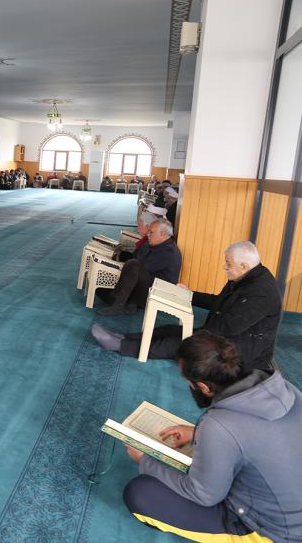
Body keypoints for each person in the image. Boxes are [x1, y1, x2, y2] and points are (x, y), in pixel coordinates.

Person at [122, 331, 302, 543]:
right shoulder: (287, 389)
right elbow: (262, 438)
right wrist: (197, 433)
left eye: (188, 381)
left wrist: (145, 461)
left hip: (275, 533)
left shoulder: (219, 426)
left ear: (204, 387)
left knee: (140, 493)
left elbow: (204, 494)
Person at [92, 241, 282, 372]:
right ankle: (124, 337)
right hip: (224, 336)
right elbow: (217, 302)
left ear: (244, 266)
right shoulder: (245, 277)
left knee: (178, 343)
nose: (224, 267)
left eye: (228, 263)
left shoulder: (261, 292)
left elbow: (229, 327)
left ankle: (120, 345)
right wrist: (189, 295)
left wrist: (194, 336)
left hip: (239, 353)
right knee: (169, 329)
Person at [95, 218, 181, 316]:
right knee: (100, 291)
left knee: (133, 265)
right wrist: (143, 251)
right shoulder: (157, 244)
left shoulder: (169, 251)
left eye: (151, 232)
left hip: (156, 292)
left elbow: (144, 265)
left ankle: (118, 305)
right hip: (145, 286)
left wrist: (142, 252)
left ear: (162, 234)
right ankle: (131, 303)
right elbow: (136, 254)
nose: (148, 234)